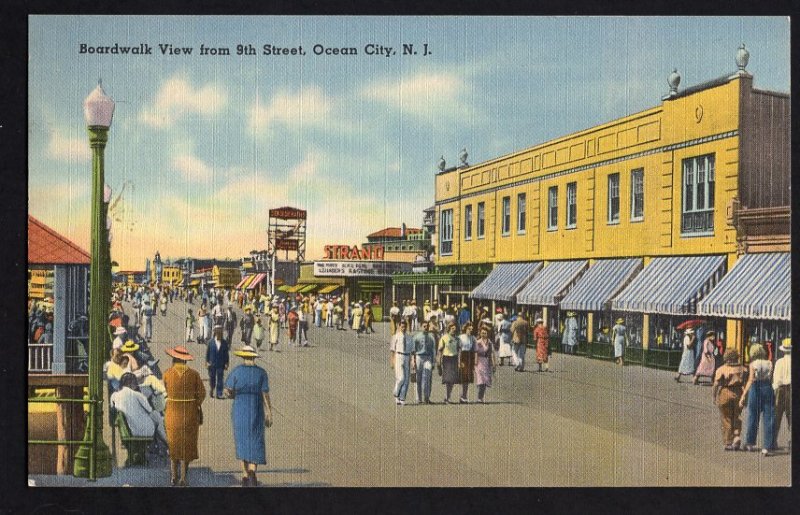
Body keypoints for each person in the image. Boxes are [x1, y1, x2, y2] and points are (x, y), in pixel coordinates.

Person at [224, 345, 274, 487]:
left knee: (242, 440)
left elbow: (228, 392)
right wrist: (269, 411)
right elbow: (265, 394)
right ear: (253, 357)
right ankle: (252, 471)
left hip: (240, 408)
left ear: (243, 357)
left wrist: (235, 394)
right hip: (256, 408)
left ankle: (245, 474)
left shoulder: (237, 371)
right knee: (256, 439)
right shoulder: (261, 373)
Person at [163, 345, 206, 486]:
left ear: (174, 359)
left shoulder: (167, 373)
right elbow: (202, 394)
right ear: (185, 360)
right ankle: (183, 478)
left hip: (172, 413)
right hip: (189, 414)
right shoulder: (194, 374)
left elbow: (162, 393)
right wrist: (194, 402)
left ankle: (173, 476)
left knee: (173, 444)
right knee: (187, 445)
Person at [110, 372, 168, 446]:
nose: (137, 385)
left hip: (128, 430)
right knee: (156, 415)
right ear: (131, 383)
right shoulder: (137, 395)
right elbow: (150, 410)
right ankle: (168, 443)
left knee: (155, 417)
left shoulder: (114, 396)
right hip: (143, 432)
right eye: (135, 383)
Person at [740, 344, 776, 456]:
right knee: (769, 418)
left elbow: (751, 380)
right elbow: (771, 378)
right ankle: (767, 446)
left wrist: (743, 395)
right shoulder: (770, 363)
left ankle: (750, 443)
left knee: (752, 416)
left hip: (755, 388)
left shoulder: (753, 364)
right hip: (767, 388)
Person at [712, 349, 747, 450]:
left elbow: (716, 384)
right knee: (737, 415)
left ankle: (728, 442)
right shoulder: (743, 369)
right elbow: (746, 384)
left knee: (726, 417)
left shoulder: (721, 369)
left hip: (725, 392)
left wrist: (714, 396)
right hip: (738, 393)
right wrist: (745, 396)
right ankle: (736, 436)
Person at [389, 321, 414, 405]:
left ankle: (402, 397)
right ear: (399, 327)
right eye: (402, 327)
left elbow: (412, 351)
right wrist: (392, 361)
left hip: (407, 357)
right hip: (398, 356)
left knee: (406, 379)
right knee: (401, 378)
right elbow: (392, 350)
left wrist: (412, 361)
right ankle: (396, 393)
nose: (403, 329)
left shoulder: (410, 337)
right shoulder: (395, 337)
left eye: (404, 327)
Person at [773, 338, 791, 447]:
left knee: (777, 416)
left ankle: (773, 440)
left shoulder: (779, 362)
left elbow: (776, 379)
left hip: (781, 390)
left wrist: (775, 390)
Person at [413, 321, 437, 404]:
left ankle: (427, 397)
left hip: (428, 358)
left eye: (427, 326)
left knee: (427, 378)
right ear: (420, 327)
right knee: (418, 378)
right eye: (424, 326)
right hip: (419, 357)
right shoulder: (416, 337)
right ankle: (418, 398)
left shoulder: (431, 337)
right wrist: (413, 361)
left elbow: (434, 350)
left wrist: (433, 361)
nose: (426, 328)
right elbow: (413, 350)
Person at [474, 325, 497, 403]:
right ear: (480, 333)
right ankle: (479, 397)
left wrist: (494, 364)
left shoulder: (489, 343)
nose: (483, 334)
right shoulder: (478, 342)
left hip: (486, 362)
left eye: (485, 333)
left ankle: (481, 397)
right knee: (480, 379)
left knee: (485, 380)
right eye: (482, 333)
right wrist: (475, 363)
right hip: (479, 362)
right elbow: (475, 353)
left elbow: (492, 353)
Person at [206, 326, 230, 399]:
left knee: (220, 379)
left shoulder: (224, 343)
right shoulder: (211, 342)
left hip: (221, 364)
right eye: (218, 333)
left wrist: (227, 363)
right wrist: (207, 362)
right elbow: (207, 353)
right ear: (215, 333)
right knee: (212, 378)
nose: (220, 335)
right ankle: (212, 388)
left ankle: (219, 393)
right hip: (212, 363)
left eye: (221, 333)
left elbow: (226, 354)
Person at [457, 323, 476, 403]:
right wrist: (459, 361)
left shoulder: (472, 338)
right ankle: (461, 395)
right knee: (463, 377)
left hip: (469, 357)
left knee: (467, 378)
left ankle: (464, 396)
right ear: (465, 329)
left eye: (471, 330)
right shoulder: (461, 337)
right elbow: (459, 350)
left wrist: (474, 362)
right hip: (463, 356)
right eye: (469, 329)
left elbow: (474, 350)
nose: (470, 331)